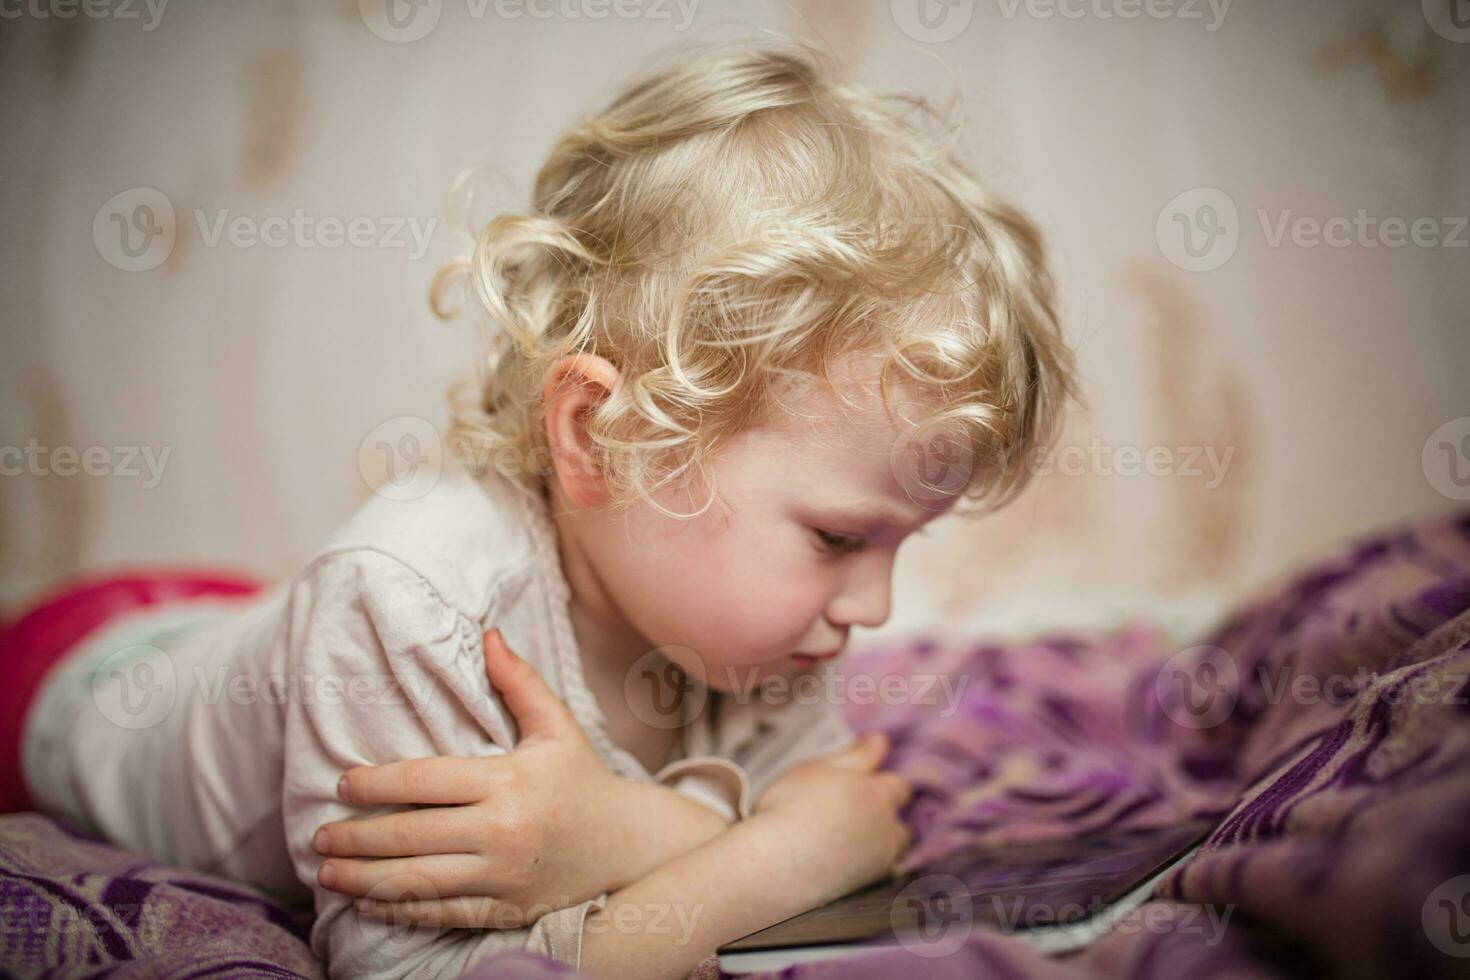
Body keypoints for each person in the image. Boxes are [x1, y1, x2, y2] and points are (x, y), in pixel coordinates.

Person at [10, 40, 1079, 980]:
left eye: (902, 543)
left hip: (241, 619)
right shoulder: (403, 598)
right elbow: (408, 967)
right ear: (600, 437)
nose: (875, 604)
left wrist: (627, 832)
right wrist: (789, 854)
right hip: (69, 679)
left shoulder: (765, 627)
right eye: (840, 536)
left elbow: (794, 793)